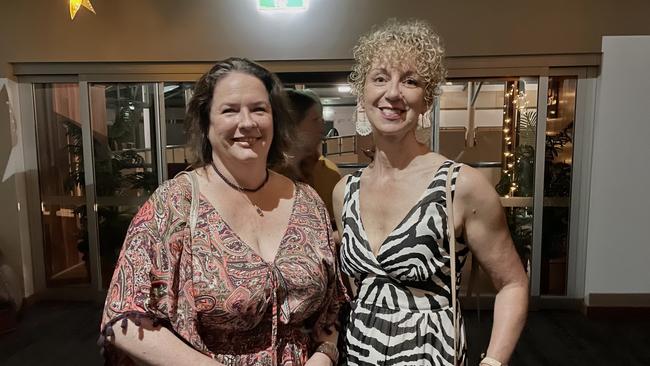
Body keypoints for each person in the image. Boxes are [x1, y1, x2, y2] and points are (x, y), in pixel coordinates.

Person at [100, 57, 347, 366]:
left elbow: (332, 306)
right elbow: (123, 319)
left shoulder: (308, 202)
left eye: (259, 109)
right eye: (229, 110)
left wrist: (324, 356)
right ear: (206, 123)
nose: (247, 123)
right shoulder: (174, 204)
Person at [333, 20, 529, 366]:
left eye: (410, 81)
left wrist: (494, 361)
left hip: (430, 353)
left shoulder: (459, 186)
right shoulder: (345, 192)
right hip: (358, 351)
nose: (393, 93)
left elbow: (512, 283)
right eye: (380, 78)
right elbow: (354, 288)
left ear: (426, 100)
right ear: (362, 95)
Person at [278, 89, 341, 223]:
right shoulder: (263, 174)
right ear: (292, 125)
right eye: (315, 120)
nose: (322, 127)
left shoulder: (328, 172)